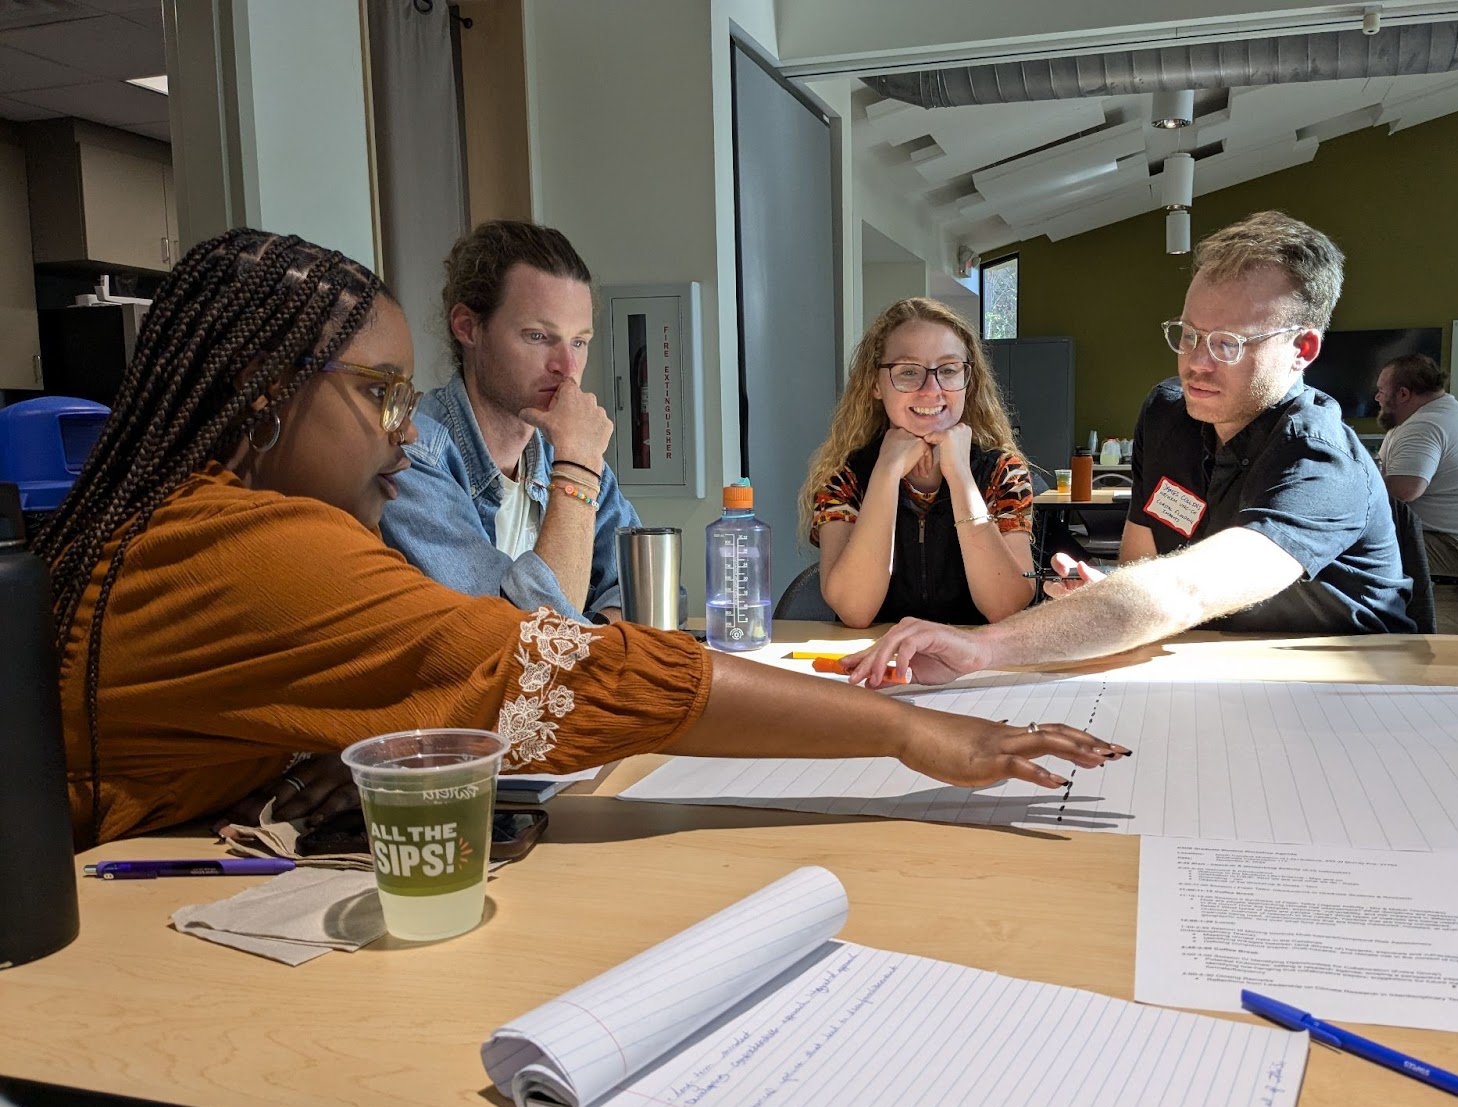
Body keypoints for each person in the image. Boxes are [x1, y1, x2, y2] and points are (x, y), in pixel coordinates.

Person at [33, 230, 1125, 850]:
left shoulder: (184, 520)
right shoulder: (254, 544)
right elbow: (550, 656)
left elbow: (583, 617)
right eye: (374, 392)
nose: (398, 428)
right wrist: (909, 737)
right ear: (262, 394)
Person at [841, 211, 1413, 688]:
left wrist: (986, 648)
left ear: (1303, 347)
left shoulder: (1320, 460)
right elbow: (1146, 567)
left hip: (1343, 687)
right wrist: (1107, 595)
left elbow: (1186, 591)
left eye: (1227, 344)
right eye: (1188, 334)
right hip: (1203, 665)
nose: (1195, 363)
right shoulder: (1170, 414)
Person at [379, 220, 636, 624]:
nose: (567, 368)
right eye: (537, 337)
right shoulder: (412, 456)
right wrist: (579, 472)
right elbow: (522, 641)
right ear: (467, 327)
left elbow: (650, 587)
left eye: (579, 342)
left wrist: (594, 638)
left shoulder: (558, 450)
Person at [800, 298, 1035, 627]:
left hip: (976, 664)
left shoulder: (1003, 471)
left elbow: (1005, 607)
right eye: (909, 372)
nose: (931, 389)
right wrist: (886, 471)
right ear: (874, 384)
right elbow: (855, 610)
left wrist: (961, 479)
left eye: (949, 370)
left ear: (970, 379)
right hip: (878, 664)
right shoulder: (844, 476)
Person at [1375, 355, 1458, 578]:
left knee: (1348, 546)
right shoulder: (1449, 412)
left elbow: (1402, 491)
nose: (1377, 397)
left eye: (1382, 390)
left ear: (1403, 394)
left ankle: (1377, 613)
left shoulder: (1424, 425)